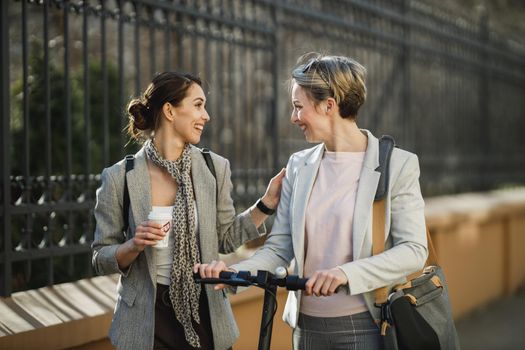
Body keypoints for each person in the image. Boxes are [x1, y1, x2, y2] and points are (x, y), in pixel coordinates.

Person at [195, 53, 428, 350]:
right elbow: (280, 248)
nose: (293, 118)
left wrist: (345, 273)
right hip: (306, 330)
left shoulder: (397, 164)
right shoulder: (298, 165)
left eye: (298, 107)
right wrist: (236, 275)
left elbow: (413, 250)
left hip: (367, 327)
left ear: (328, 105)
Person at [92, 71, 285, 350]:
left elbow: (225, 238)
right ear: (170, 110)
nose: (205, 115)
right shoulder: (119, 177)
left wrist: (266, 204)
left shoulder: (213, 168)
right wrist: (134, 245)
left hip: (205, 311)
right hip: (148, 321)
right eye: (197, 105)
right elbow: (101, 257)